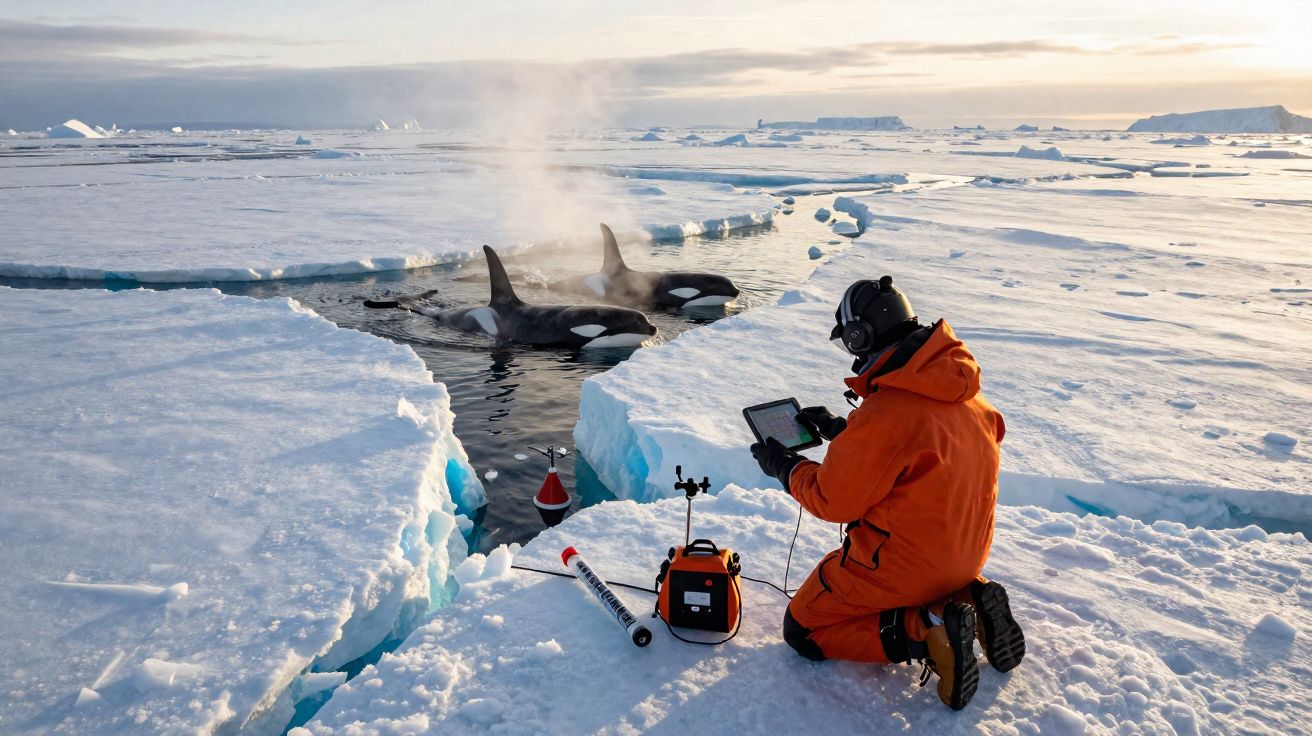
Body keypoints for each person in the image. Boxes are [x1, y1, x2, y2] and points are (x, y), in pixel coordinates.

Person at [750, 275, 1024, 711]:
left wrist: (786, 467)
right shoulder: (970, 397)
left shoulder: (887, 413)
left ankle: (929, 630)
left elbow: (831, 500)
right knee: (932, 570)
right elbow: (921, 456)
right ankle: (971, 597)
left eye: (850, 341)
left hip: (904, 567)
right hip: (968, 555)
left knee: (803, 630)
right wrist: (845, 432)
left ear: (862, 336)